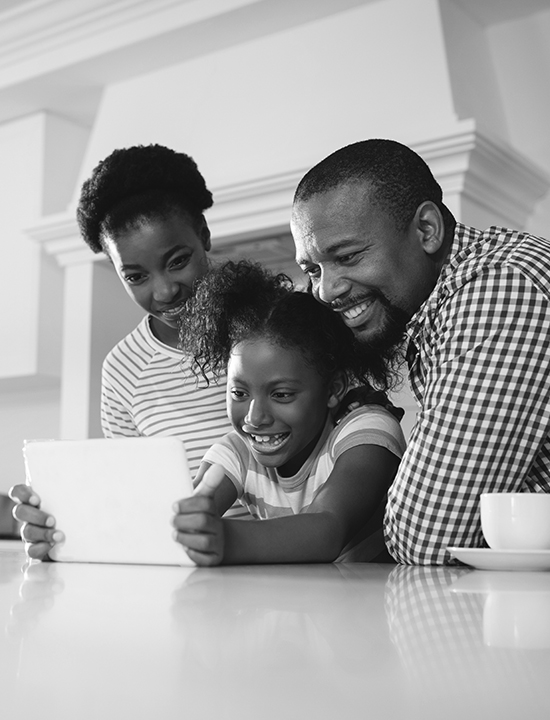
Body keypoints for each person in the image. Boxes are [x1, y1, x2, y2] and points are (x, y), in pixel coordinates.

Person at [290, 138, 550, 566]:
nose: (326, 289)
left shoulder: (503, 287)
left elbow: (425, 537)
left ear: (426, 230)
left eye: (349, 256)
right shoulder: (443, 305)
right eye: (313, 269)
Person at [10, 144, 238, 559]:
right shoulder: (122, 370)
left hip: (292, 554)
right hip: (187, 568)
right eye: (136, 276)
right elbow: (136, 500)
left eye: (178, 261)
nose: (164, 291)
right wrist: (63, 528)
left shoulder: (271, 325)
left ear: (203, 235)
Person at [172, 260, 406, 565]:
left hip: (380, 605)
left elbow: (327, 528)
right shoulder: (237, 451)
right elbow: (195, 507)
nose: (255, 418)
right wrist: (187, 522)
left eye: (281, 394)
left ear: (334, 389)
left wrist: (222, 538)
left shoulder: (367, 431)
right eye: (239, 393)